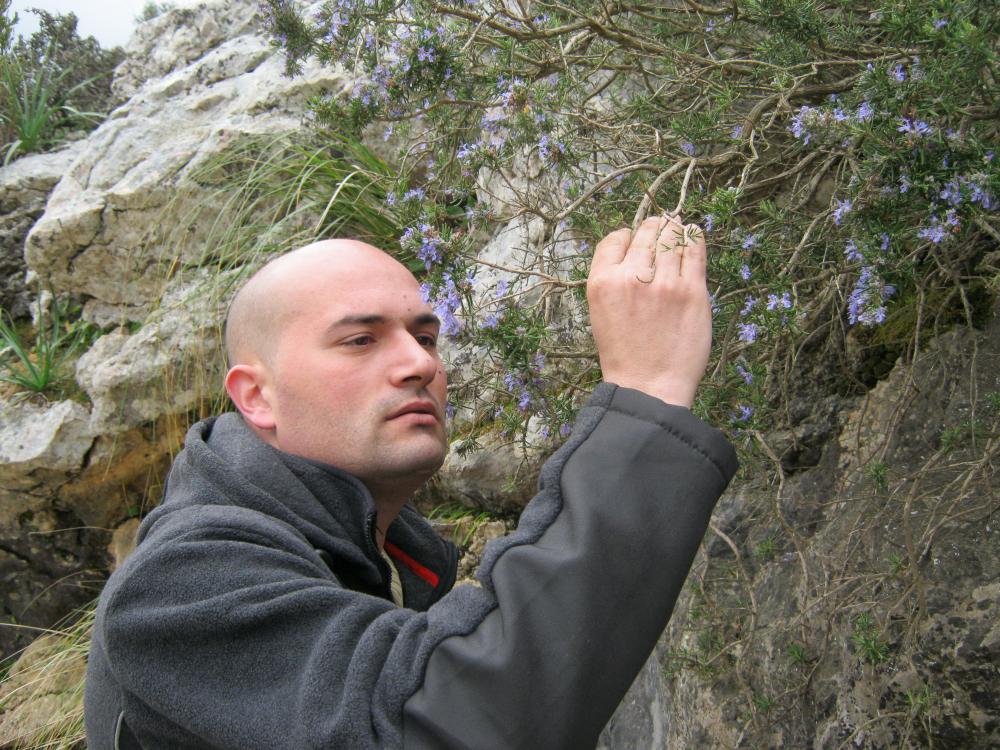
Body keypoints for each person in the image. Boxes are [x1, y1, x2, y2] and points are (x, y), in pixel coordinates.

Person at [84, 214, 738, 749]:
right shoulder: (181, 582)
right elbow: (455, 719)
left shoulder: (387, 561)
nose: (418, 362)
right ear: (256, 396)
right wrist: (644, 395)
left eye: (426, 336)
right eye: (361, 340)